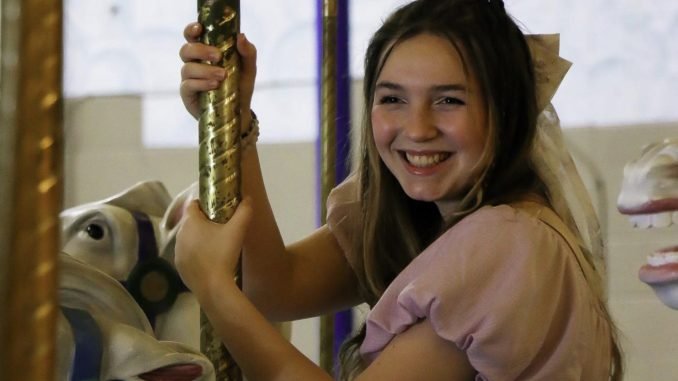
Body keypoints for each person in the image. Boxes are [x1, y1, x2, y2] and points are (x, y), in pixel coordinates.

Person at [175, 0, 624, 379]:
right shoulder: (423, 214)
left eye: (449, 100)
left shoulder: (507, 242)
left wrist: (213, 287)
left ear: (505, 112)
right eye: (392, 99)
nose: (418, 129)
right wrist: (234, 120)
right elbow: (275, 288)